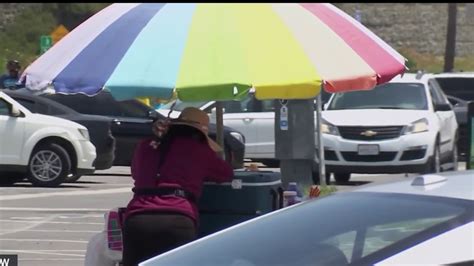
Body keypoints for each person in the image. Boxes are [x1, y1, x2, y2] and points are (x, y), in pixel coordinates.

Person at [122, 107, 234, 266]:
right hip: (177, 219)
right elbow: (226, 174)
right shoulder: (199, 150)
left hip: (138, 218)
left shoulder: (146, 145)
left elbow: (136, 173)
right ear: (199, 134)